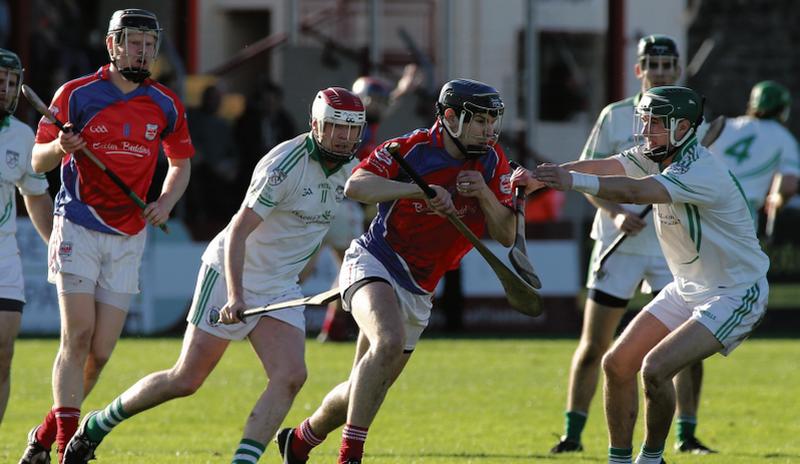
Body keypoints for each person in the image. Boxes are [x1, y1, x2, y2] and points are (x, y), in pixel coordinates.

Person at [60, 87, 367, 464]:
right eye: (337, 127)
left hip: (278, 285)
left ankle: (243, 460)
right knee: (185, 379)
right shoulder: (284, 166)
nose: (345, 137)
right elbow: (238, 231)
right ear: (317, 125)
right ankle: (96, 426)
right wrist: (236, 296)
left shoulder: (351, 169)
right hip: (229, 271)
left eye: (353, 130)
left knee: (290, 376)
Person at [516, 85, 769, 464]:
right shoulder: (657, 155)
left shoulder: (699, 169)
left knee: (655, 369)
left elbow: (633, 192)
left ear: (683, 127)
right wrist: (545, 176)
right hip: (689, 289)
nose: (646, 129)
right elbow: (607, 166)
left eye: (655, 123)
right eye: (645, 120)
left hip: (736, 292)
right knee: (616, 364)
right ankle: (620, 460)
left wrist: (570, 183)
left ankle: (651, 459)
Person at [276, 78, 515, 464]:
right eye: (480, 121)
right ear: (451, 118)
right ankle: (350, 456)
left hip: (421, 288)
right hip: (376, 260)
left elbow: (506, 234)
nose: (489, 130)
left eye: (493, 121)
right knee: (387, 343)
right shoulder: (413, 148)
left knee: (364, 386)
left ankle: (301, 439)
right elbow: (356, 186)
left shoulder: (492, 161)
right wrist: (420, 191)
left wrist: (483, 194)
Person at [18, 9, 194, 464]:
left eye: (150, 43)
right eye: (134, 42)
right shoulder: (76, 94)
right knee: (77, 338)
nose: (144, 51)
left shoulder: (166, 104)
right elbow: (37, 162)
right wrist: (61, 147)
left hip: (130, 234)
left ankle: (41, 435)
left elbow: (180, 162)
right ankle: (65, 449)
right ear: (113, 45)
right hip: (78, 222)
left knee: (99, 353)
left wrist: (165, 202)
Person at [547, 34, 713, 455]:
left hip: (668, 249)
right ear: (639, 70)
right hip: (617, 244)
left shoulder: (691, 118)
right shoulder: (616, 116)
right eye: (652, 66)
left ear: (677, 69)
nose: (659, 72)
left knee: (682, 347)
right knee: (595, 345)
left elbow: (696, 180)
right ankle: (572, 434)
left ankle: (687, 434)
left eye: (667, 65)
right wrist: (616, 213)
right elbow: (593, 178)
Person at [0, 48, 54, 426]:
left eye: (11, 83)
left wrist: (56, 248)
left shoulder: (22, 136)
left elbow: (36, 197)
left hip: (4, 259)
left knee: (3, 354)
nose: (5, 89)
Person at [708, 80, 799, 231]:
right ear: (782, 109)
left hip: (705, 204)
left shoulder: (724, 125)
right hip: (741, 213)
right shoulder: (784, 138)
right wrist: (777, 200)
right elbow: (789, 185)